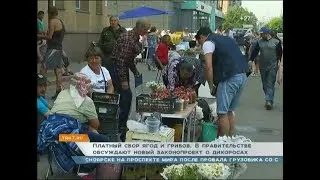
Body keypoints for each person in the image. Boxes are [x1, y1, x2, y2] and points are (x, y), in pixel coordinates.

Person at [40, 73, 121, 179]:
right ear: (87, 87)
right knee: (104, 141)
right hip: (67, 137)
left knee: (84, 132)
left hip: (50, 133)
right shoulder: (87, 101)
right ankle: (89, 170)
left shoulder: (62, 93)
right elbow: (96, 125)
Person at [195, 27, 249, 137]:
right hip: (242, 75)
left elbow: (208, 66)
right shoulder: (227, 39)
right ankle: (231, 140)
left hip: (229, 77)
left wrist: (211, 86)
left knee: (222, 113)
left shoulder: (208, 42)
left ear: (202, 37)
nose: (201, 45)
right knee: (230, 111)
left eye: (199, 42)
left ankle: (222, 143)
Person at [113, 19, 150, 141]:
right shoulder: (128, 38)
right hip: (116, 69)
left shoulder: (135, 38)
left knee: (126, 98)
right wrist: (123, 80)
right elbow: (121, 61)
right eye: (146, 28)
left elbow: (129, 60)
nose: (147, 31)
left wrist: (135, 71)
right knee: (125, 98)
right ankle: (120, 127)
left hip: (122, 69)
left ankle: (121, 125)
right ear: (139, 28)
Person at [249, 27, 283, 110]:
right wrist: (250, 59)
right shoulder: (259, 42)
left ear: (267, 33)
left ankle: (269, 101)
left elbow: (280, 54)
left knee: (270, 83)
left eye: (262, 34)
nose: (260, 35)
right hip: (263, 66)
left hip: (273, 66)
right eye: (260, 34)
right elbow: (255, 51)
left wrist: (280, 65)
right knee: (264, 85)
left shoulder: (276, 42)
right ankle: (269, 99)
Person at [39, 6, 66, 100]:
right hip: (58, 48)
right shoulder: (60, 21)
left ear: (50, 14)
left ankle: (40, 92)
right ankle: (59, 92)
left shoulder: (52, 21)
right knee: (58, 71)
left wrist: (39, 36)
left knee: (43, 68)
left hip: (53, 49)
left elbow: (50, 37)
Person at [98, 15, 126, 86]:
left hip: (119, 58)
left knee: (118, 76)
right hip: (107, 57)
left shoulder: (123, 31)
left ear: (118, 21)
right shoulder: (105, 30)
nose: (113, 22)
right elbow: (100, 43)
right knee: (107, 75)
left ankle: (117, 91)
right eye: (111, 20)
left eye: (115, 20)